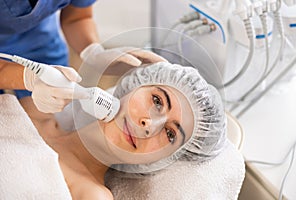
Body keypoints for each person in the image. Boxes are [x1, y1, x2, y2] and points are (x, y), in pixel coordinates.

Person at [19, 62, 227, 199]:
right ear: (136, 85)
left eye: (170, 134)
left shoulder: (91, 195)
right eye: (157, 101)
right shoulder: (30, 110)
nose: (149, 124)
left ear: (165, 158)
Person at [0, 0, 165, 114]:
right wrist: (28, 78)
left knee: (48, 113)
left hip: (37, 36)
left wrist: (93, 51)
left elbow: (77, 17)